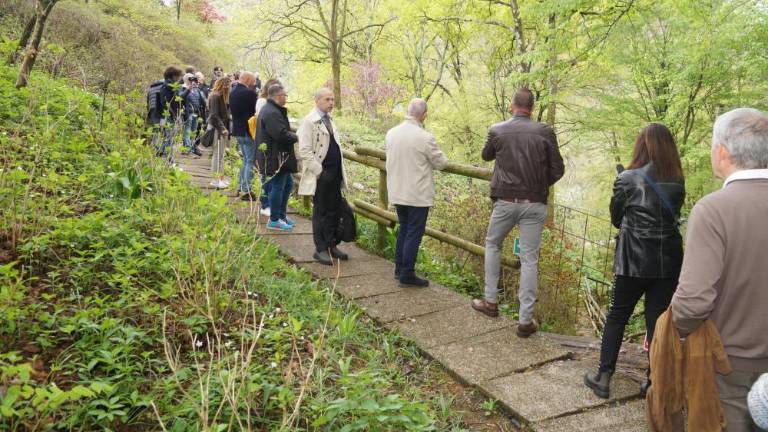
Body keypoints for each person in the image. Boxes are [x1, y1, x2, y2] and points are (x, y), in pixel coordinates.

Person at [671, 108, 768, 432]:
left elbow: (693, 302)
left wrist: (677, 331)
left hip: (731, 366)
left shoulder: (713, 210)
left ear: (723, 152)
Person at [583, 123, 685, 399]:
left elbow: (616, 219)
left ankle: (603, 377)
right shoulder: (677, 180)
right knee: (657, 322)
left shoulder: (626, 179)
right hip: (667, 263)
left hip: (632, 261)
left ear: (641, 146)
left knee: (617, 316)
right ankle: (652, 382)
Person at [471, 88, 564, 338]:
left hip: (504, 200)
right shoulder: (545, 132)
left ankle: (490, 302)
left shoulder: (497, 130)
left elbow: (486, 155)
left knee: (493, 244)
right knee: (530, 259)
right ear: (531, 108)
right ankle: (525, 320)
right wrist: (538, 185)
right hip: (534, 203)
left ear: (512, 106)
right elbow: (558, 169)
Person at [385, 98, 448, 287]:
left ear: (408, 111)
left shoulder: (391, 133)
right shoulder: (425, 137)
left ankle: (399, 269)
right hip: (417, 194)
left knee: (404, 229)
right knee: (413, 233)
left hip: (397, 190)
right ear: (424, 115)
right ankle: (407, 273)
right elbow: (441, 163)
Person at [298, 88, 349, 265]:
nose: (331, 103)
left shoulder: (330, 119)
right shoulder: (309, 122)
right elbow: (304, 151)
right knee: (321, 211)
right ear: (317, 101)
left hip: (335, 173)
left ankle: (331, 244)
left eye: (332, 99)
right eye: (327, 99)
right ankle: (320, 248)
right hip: (321, 174)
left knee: (334, 210)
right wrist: (319, 171)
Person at [258, 84, 298, 231]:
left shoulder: (272, 109)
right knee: (278, 186)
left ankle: (281, 215)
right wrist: (297, 136)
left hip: (279, 155)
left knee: (288, 184)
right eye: (284, 95)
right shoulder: (272, 112)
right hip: (275, 156)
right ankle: (274, 220)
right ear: (278, 96)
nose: (286, 98)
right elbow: (280, 134)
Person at [229, 71, 259, 201]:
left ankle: (241, 186)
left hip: (238, 130)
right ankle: (246, 190)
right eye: (253, 81)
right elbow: (256, 110)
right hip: (248, 131)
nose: (254, 83)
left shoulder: (233, 91)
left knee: (246, 160)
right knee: (250, 161)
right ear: (247, 80)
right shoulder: (249, 93)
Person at [255, 79, 281, 216]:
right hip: (265, 144)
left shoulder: (269, 106)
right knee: (266, 175)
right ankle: (265, 205)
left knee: (270, 176)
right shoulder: (264, 104)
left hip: (268, 145)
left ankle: (271, 205)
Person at [153, 66, 184, 162]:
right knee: (168, 137)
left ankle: (166, 156)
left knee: (168, 136)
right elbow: (166, 103)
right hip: (167, 116)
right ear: (173, 76)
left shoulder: (171, 86)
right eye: (178, 76)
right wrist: (174, 114)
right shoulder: (167, 87)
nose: (179, 78)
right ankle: (168, 158)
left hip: (169, 115)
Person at [207, 75, 231, 189]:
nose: (230, 88)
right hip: (217, 129)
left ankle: (220, 178)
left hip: (221, 129)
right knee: (217, 155)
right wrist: (222, 128)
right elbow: (214, 115)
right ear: (224, 85)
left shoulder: (220, 97)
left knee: (221, 155)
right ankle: (215, 180)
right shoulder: (215, 97)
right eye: (229, 86)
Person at [179, 73, 205, 157]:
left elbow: (201, 101)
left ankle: (191, 148)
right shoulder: (182, 88)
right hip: (188, 113)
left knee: (193, 132)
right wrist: (188, 89)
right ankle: (187, 149)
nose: (191, 81)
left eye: (192, 79)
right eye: (190, 79)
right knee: (187, 132)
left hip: (196, 113)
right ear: (186, 79)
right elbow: (180, 98)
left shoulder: (196, 89)